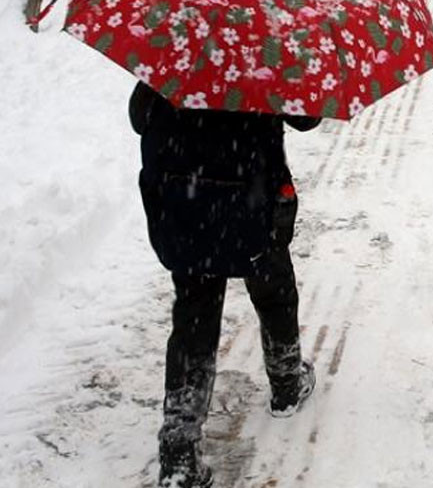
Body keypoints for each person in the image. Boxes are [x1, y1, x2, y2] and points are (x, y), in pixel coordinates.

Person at [130, 81, 321, 488]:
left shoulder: (178, 52)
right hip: (250, 198)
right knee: (274, 291)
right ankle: (287, 382)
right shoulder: (265, 52)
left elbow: (138, 120)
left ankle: (180, 454)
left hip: (186, 202)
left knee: (193, 317)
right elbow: (307, 118)